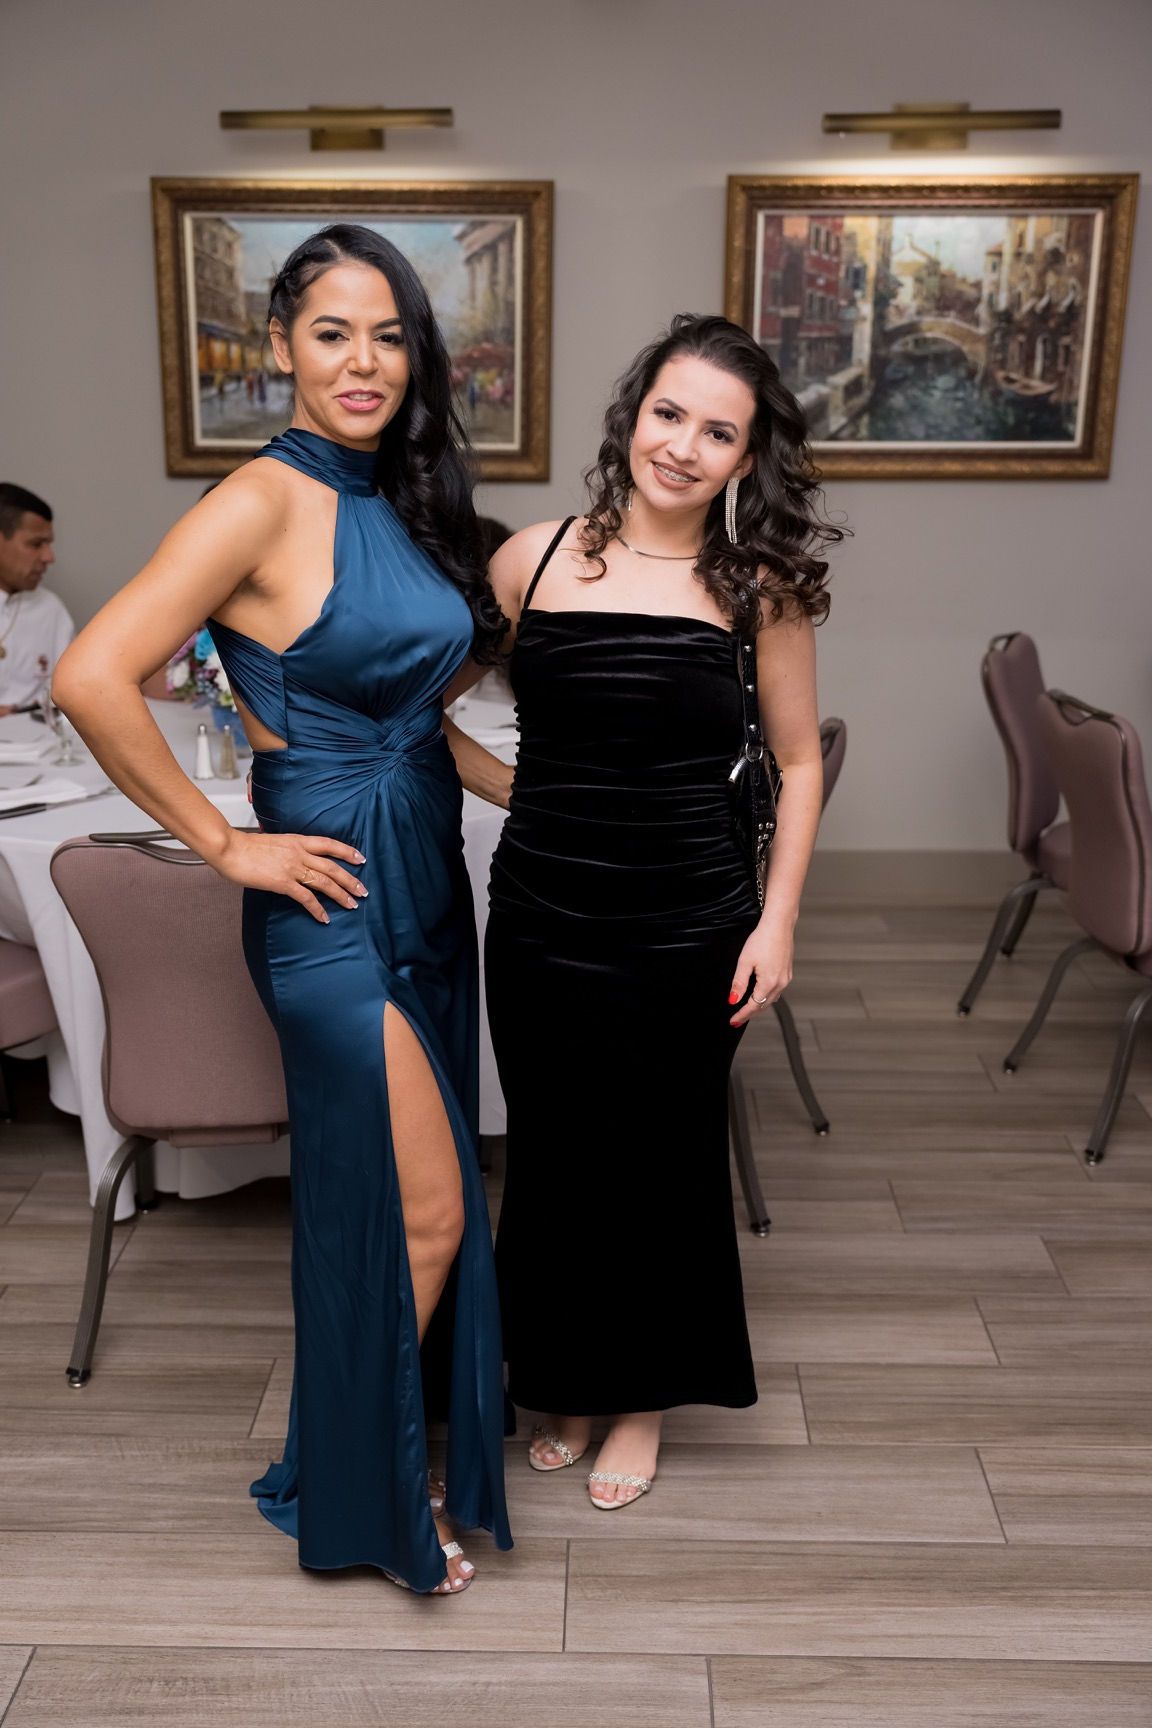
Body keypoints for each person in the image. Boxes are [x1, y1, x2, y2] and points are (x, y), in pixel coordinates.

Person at [53, 223, 512, 1595]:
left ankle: (360, 1454)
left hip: (426, 866)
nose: (364, 361)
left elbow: (423, 711)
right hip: (327, 898)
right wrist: (225, 844)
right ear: (281, 350)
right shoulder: (256, 498)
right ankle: (367, 1494)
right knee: (430, 1210)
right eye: (332, 333)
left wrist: (529, 794)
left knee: (390, 1198)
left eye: (389, 335)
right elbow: (93, 674)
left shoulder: (405, 495)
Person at [446, 313, 842, 1508]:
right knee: (558, 1157)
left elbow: (800, 763)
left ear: (744, 459)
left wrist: (776, 925)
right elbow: (428, 707)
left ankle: (642, 1404)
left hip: (690, 919)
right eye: (670, 414)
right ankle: (561, 1377)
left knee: (663, 1163)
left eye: (717, 432)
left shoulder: (756, 590)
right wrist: (528, 789)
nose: (683, 446)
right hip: (543, 911)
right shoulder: (531, 560)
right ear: (634, 414)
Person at [0, 483, 75, 714]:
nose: (49, 557)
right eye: (35, 544)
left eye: (49, 544)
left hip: (40, 744)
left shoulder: (50, 608)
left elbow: (71, 693)